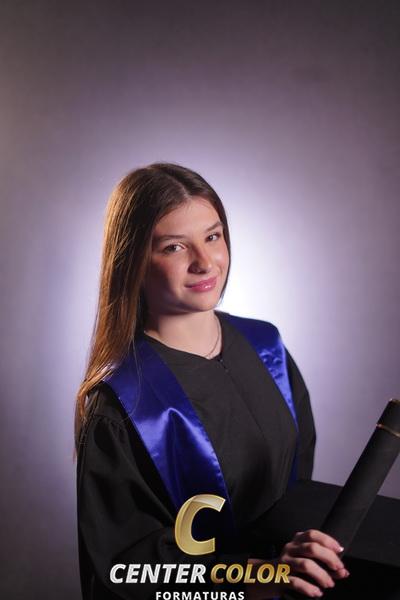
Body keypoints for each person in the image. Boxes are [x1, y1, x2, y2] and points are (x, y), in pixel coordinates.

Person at [76, 163, 349, 600]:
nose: (205, 262)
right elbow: (126, 570)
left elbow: (296, 484)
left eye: (213, 236)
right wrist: (255, 578)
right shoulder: (125, 404)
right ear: (134, 261)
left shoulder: (266, 347)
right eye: (174, 247)